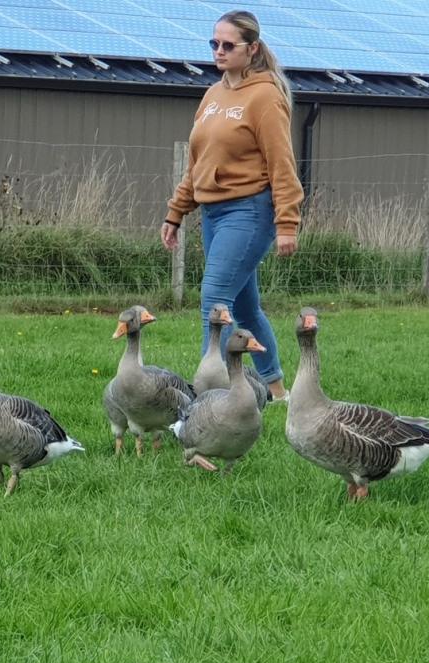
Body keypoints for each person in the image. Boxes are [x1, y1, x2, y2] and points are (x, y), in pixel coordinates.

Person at [161, 9, 303, 401]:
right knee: (246, 308)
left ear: (252, 49)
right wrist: (176, 212)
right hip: (213, 213)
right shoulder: (212, 95)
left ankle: (215, 394)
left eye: (228, 45)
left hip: (249, 211)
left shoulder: (265, 96)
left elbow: (282, 164)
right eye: (214, 44)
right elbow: (198, 162)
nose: (218, 51)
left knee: (214, 302)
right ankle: (276, 391)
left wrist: (287, 222)